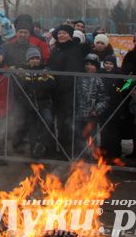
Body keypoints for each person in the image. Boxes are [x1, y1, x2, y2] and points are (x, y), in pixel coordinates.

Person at [47, 24, 84, 155]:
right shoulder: (55, 49)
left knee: (67, 123)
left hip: (68, 92)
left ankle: (69, 152)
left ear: (70, 35)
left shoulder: (75, 49)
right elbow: (50, 66)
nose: (61, 35)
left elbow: (74, 70)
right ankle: (57, 150)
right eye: (59, 33)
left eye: (64, 33)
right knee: (55, 122)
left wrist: (60, 83)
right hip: (54, 91)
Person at [14, 47, 56, 158]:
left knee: (48, 120)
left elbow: (52, 87)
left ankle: (42, 145)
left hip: (44, 103)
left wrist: (46, 78)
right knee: (31, 128)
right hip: (28, 105)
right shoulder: (22, 71)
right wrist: (21, 78)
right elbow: (18, 89)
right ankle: (34, 153)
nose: (35, 60)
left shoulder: (46, 70)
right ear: (28, 60)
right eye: (32, 58)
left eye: (37, 58)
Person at [74, 54, 106, 158]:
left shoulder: (99, 80)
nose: (89, 67)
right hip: (79, 114)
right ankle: (79, 161)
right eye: (87, 64)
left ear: (96, 67)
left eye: (92, 65)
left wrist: (96, 110)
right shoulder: (78, 78)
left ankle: (92, 160)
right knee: (79, 137)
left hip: (92, 115)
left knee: (91, 138)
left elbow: (104, 99)